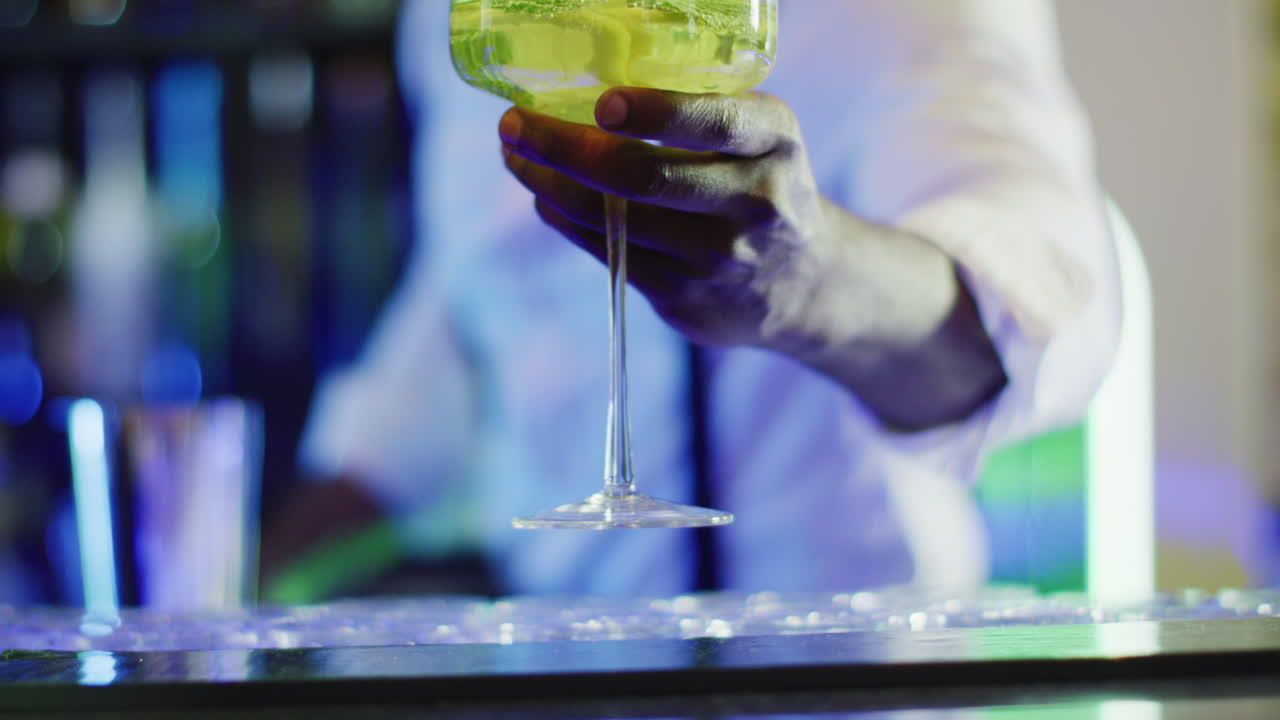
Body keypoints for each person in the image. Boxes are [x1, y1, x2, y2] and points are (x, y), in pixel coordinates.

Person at [273, 0, 1122, 598]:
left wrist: (813, 283)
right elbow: (467, 305)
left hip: (842, 679)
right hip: (559, 668)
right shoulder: (455, 22)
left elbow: (1054, 297)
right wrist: (245, 583)